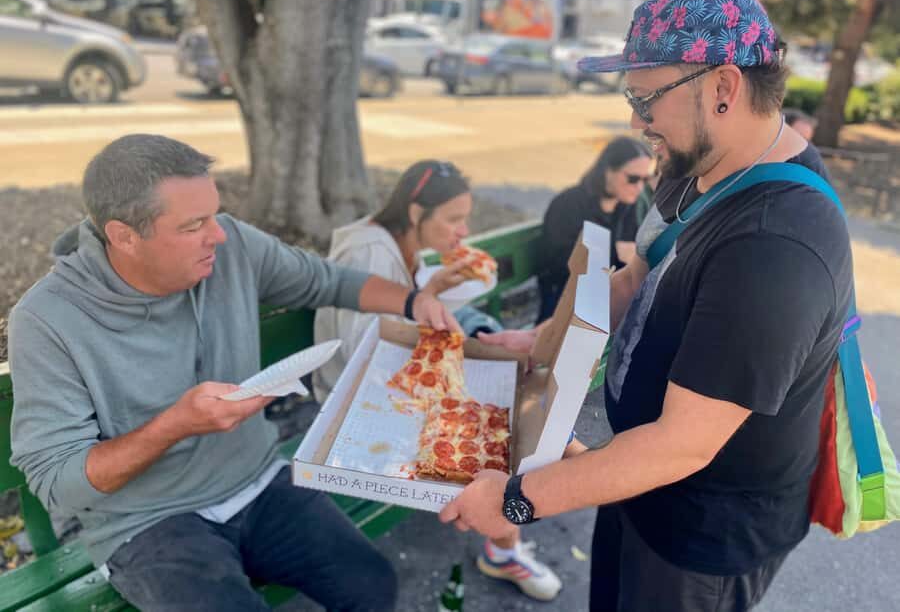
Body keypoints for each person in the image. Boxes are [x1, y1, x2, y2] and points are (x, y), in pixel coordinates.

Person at [441, 0, 853, 612]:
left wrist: (517, 500)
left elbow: (682, 444)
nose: (635, 121)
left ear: (723, 88)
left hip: (701, 537)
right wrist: (541, 340)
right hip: (636, 480)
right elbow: (637, 278)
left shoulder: (774, 246)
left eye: (646, 98)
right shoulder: (701, 163)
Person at [8, 134, 460, 612]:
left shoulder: (233, 244)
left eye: (215, 215)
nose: (218, 235)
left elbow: (324, 280)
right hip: (146, 521)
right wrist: (175, 425)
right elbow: (58, 481)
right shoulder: (47, 320)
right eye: (194, 225)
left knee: (373, 585)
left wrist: (414, 301)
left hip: (256, 479)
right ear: (124, 237)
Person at [314, 159, 562, 602]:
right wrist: (433, 311)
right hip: (356, 400)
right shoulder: (370, 252)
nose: (463, 232)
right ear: (415, 213)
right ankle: (504, 550)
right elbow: (362, 353)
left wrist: (439, 294)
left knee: (501, 414)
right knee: (493, 444)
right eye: (454, 219)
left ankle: (506, 543)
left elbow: (400, 317)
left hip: (388, 383)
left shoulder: (397, 244)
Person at [536, 136, 654, 322]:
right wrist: (613, 252)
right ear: (608, 171)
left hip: (612, 303)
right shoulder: (568, 205)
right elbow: (559, 265)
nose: (639, 187)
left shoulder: (631, 206)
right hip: (567, 306)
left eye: (645, 179)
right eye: (632, 179)